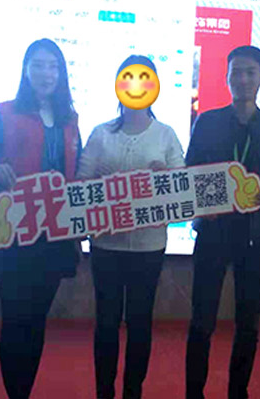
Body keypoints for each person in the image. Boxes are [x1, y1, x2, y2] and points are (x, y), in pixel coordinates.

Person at [0, 38, 82, 399]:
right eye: (38, 65)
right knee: (16, 319)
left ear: (61, 73)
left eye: (53, 66)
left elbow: (78, 174)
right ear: (26, 70)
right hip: (14, 234)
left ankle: (24, 391)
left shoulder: (71, 121)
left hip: (55, 236)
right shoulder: (5, 113)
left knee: (36, 321)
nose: (46, 73)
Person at [184, 46, 260, 399]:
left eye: (250, 73)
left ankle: (238, 391)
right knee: (202, 321)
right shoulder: (208, 122)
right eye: (236, 72)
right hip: (212, 232)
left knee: (248, 324)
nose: (243, 79)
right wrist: (200, 205)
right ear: (227, 77)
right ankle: (194, 392)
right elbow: (190, 171)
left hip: (254, 235)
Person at [77, 55, 185, 399]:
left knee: (140, 323)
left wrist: (165, 180)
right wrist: (100, 186)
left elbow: (180, 189)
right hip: (105, 245)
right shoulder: (100, 134)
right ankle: (104, 392)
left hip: (148, 247)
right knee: (106, 323)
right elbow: (80, 185)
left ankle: (133, 392)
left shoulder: (165, 135)